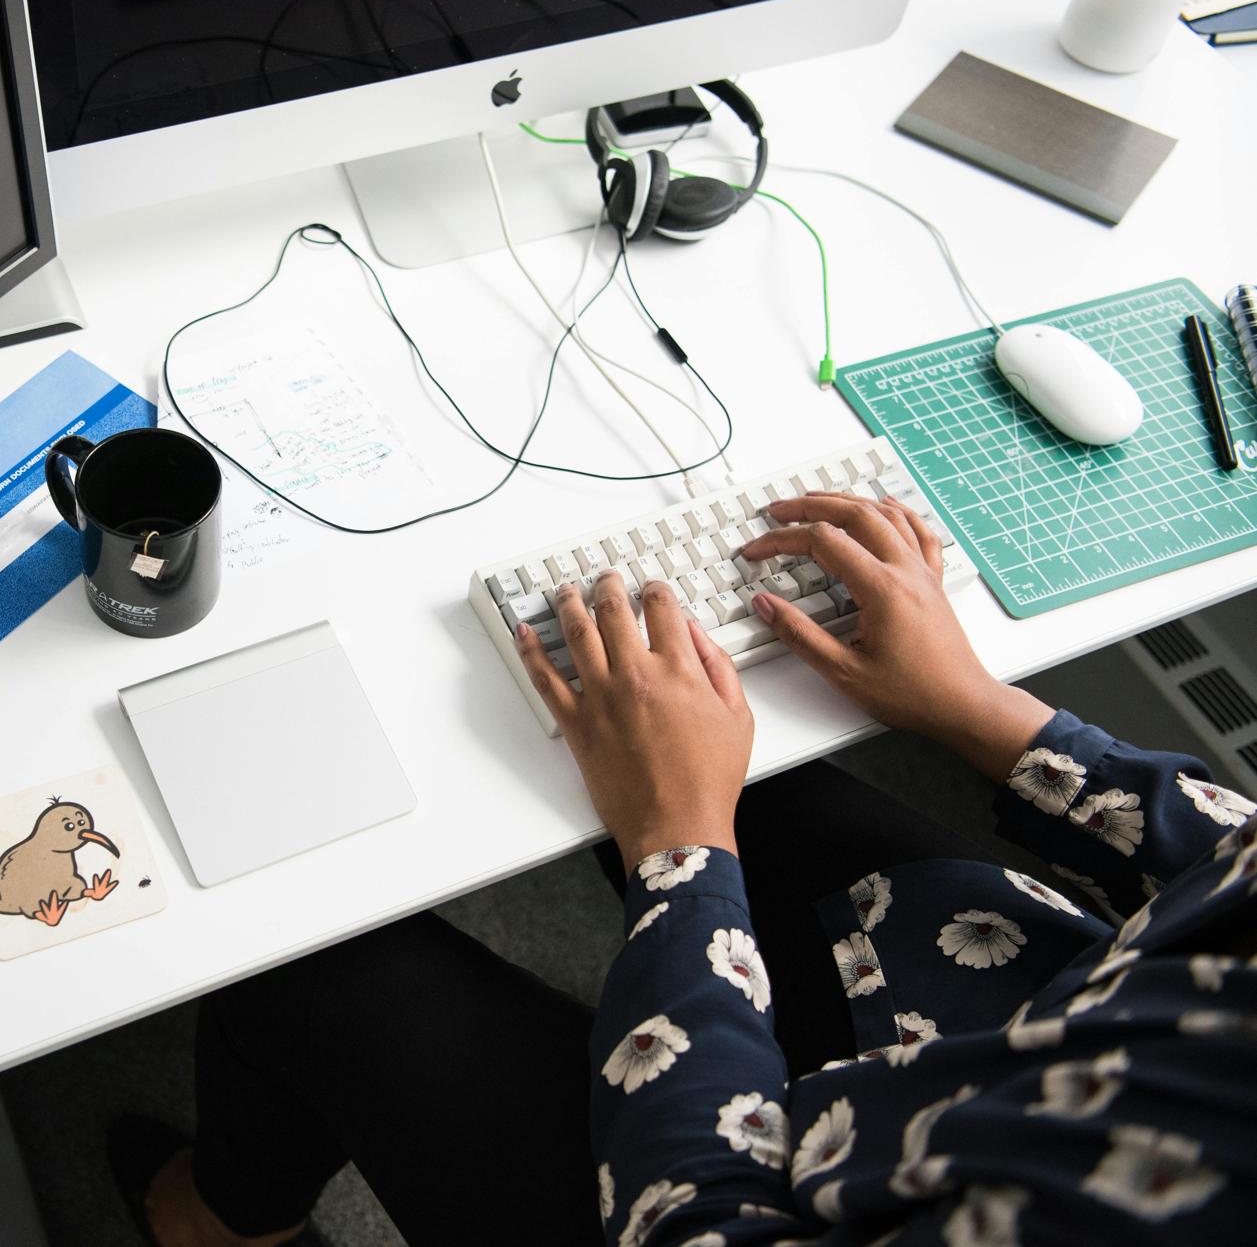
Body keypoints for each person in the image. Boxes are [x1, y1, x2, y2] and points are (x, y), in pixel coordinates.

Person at [113, 491, 1256, 1246]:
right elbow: (1227, 855)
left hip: (751, 1204)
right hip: (1014, 1004)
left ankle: (217, 1223)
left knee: (311, 967)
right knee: (728, 740)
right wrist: (979, 709)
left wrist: (677, 845)